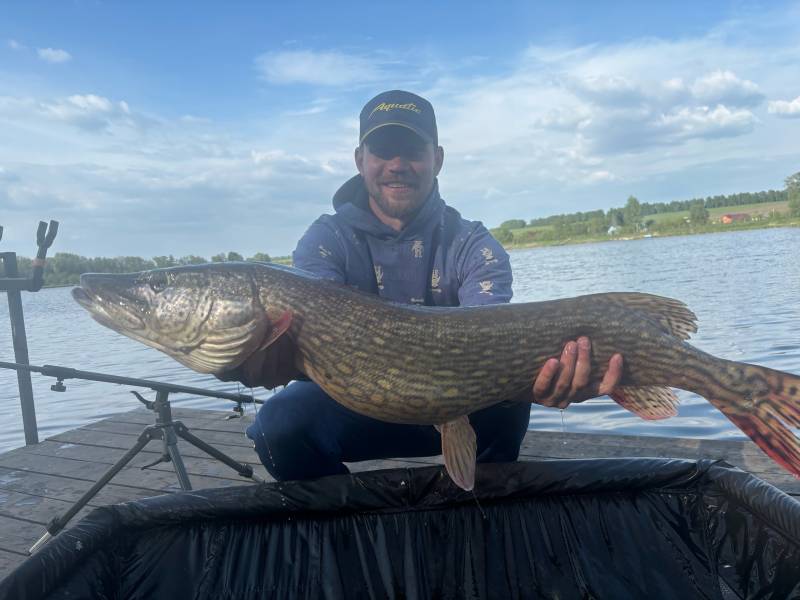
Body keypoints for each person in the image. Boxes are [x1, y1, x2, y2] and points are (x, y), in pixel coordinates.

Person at [223, 90, 623, 482]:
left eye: (413, 150)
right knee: (276, 426)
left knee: (513, 396)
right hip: (358, 403)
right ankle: (344, 527)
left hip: (467, 402)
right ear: (361, 160)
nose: (398, 164)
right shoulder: (326, 240)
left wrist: (556, 375)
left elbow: (494, 338)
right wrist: (255, 356)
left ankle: (486, 504)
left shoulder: (473, 245)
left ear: (438, 159)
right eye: (383, 150)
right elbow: (301, 347)